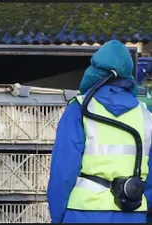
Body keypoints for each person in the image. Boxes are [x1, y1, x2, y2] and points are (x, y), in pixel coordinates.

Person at [46, 40, 152, 223]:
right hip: (131, 214)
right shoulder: (145, 116)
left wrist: (58, 217)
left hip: (83, 214)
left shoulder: (79, 109)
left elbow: (63, 173)